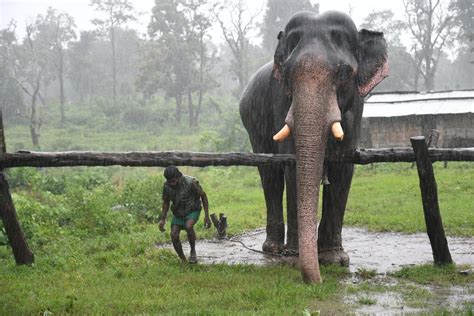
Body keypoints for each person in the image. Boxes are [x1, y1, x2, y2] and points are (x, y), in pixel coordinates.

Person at [158, 166, 211, 263]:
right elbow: (166, 202)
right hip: (178, 213)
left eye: (173, 181)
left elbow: (203, 196)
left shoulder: (191, 182)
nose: (172, 184)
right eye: (170, 182)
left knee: (188, 226)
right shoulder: (166, 186)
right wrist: (162, 219)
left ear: (178, 176)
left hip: (193, 210)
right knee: (173, 234)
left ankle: (193, 251)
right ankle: (183, 260)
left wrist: (206, 216)